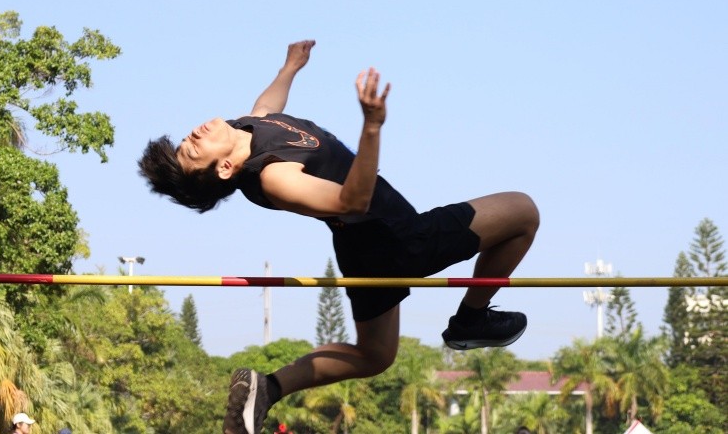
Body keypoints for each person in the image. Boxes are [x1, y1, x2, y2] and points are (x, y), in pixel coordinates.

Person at [139, 40, 539, 434]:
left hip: (362, 245)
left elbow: (266, 107)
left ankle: (268, 387)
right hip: (395, 239)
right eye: (194, 150)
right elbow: (353, 201)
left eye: (186, 141)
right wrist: (372, 127)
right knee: (523, 212)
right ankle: (471, 319)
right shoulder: (274, 177)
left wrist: (290, 67)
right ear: (225, 168)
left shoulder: (247, 126)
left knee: (375, 355)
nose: (193, 135)